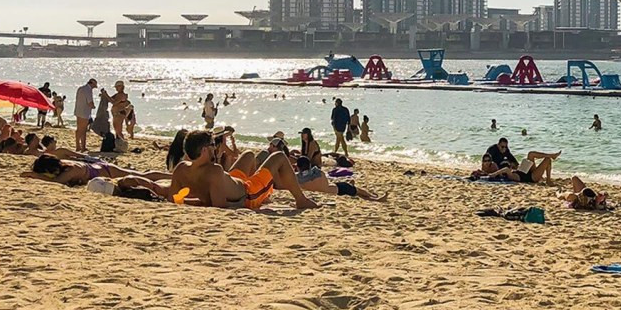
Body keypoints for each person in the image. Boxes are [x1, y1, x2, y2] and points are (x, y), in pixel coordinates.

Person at [168, 130, 318, 210]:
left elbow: (172, 198)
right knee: (279, 156)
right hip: (248, 193)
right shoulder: (213, 171)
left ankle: (265, 195)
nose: (215, 148)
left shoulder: (181, 169)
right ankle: (301, 200)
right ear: (205, 150)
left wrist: (187, 200)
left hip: (233, 179)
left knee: (248, 155)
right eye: (213, 145)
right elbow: (219, 207)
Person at [22, 154, 170, 187]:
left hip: (107, 171)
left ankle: (170, 175)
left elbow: (57, 182)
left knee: (143, 176)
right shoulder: (64, 164)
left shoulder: (69, 170)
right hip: (98, 167)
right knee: (142, 176)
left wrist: (35, 176)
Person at [295, 157, 385, 201]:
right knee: (356, 191)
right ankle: (373, 197)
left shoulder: (297, 179)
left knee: (348, 187)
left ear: (298, 167)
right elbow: (326, 183)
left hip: (331, 189)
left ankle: (352, 185)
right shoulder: (318, 174)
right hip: (336, 190)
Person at [74, 78, 97, 152]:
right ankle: (83, 147)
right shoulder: (88, 90)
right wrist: (93, 106)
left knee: (78, 129)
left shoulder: (81, 88)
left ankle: (78, 145)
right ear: (92, 83)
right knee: (83, 130)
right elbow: (90, 102)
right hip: (84, 112)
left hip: (78, 111)